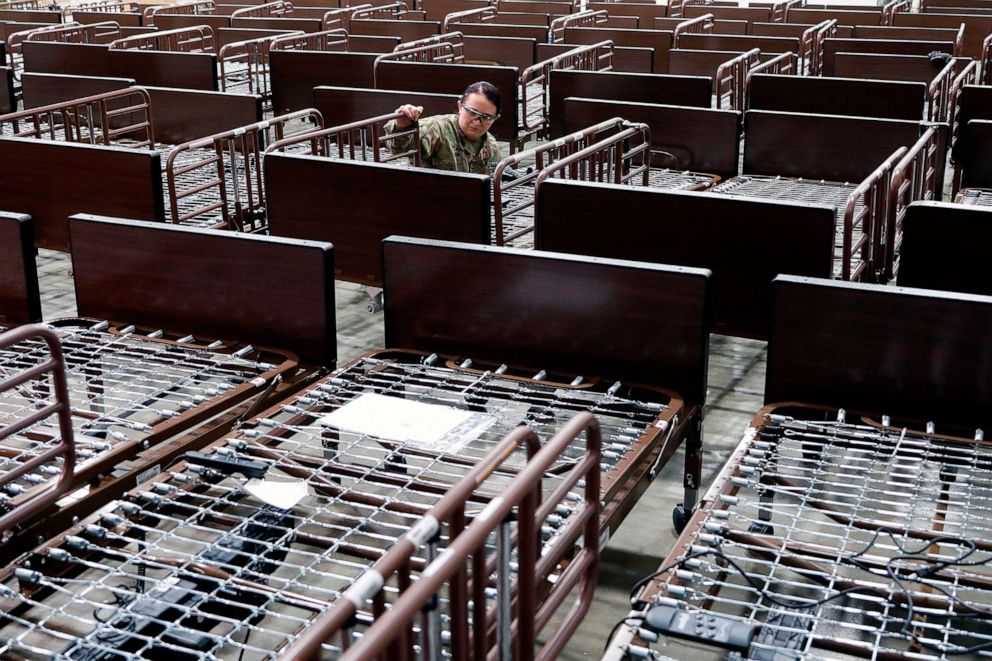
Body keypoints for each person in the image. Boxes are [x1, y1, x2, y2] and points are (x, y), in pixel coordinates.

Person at [384, 81, 502, 176]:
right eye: (471, 112)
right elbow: (401, 149)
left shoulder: (491, 145)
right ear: (460, 106)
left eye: (486, 117)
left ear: (496, 118)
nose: (477, 122)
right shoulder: (438, 128)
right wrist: (403, 125)